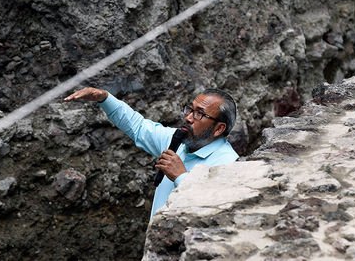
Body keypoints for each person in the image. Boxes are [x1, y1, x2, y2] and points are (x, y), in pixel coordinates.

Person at [63, 87, 239, 217]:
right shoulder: (178, 140)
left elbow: (215, 211)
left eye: (199, 114)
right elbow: (138, 127)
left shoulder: (229, 164)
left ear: (219, 129)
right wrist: (103, 98)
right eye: (189, 109)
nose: (188, 117)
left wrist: (181, 177)